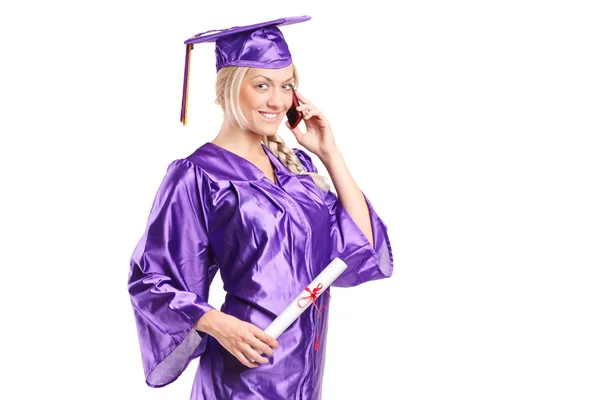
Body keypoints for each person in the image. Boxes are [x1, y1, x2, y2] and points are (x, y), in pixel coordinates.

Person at [127, 15, 394, 400]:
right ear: (230, 89)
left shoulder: (297, 168)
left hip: (304, 372)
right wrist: (217, 323)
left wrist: (329, 153)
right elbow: (150, 279)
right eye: (262, 85)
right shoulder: (197, 176)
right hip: (243, 373)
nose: (277, 100)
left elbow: (361, 248)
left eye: (287, 86)